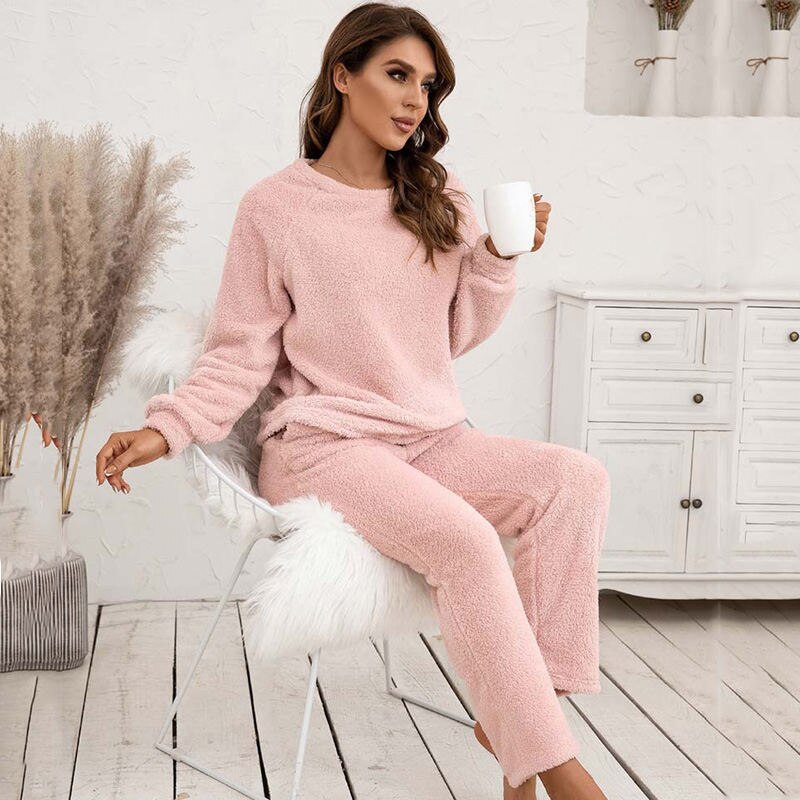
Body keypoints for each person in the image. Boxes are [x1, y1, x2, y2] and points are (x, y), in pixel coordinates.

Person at [87, 4, 611, 799]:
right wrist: (166, 429)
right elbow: (239, 351)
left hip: (430, 437)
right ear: (343, 74)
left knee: (575, 481)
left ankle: (522, 713)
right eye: (397, 75)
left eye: (427, 87)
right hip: (322, 449)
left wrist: (499, 258)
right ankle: (565, 776)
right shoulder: (275, 208)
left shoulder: (437, 194)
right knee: (467, 542)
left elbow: (453, 335)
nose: (414, 101)